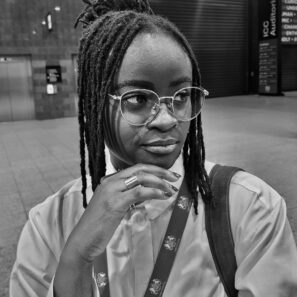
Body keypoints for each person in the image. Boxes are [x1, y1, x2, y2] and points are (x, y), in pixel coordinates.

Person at [10, 0, 297, 296]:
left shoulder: (250, 206)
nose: (166, 119)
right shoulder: (49, 224)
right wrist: (76, 260)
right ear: (91, 106)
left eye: (182, 95)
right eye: (137, 99)